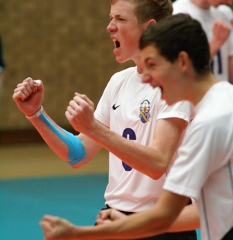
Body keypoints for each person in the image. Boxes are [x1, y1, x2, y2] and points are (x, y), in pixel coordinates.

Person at [39, 13, 233, 240]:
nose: (147, 80)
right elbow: (197, 211)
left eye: (153, 66)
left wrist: (78, 234)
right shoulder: (228, 102)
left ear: (182, 62)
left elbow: (165, 210)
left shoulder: (211, 122)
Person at [12, 1, 195, 239]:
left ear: (150, 28)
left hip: (161, 225)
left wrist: (94, 128)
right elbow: (77, 154)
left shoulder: (176, 81)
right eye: (111, 18)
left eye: (120, 19)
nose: (109, 27)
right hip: (113, 218)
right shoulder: (119, 81)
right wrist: (35, 114)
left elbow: (157, 164)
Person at [172, 0, 233, 85]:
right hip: (196, 96)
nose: (230, 2)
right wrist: (216, 42)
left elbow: (232, 77)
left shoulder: (225, 12)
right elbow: (184, 73)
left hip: (222, 94)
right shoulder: (178, 13)